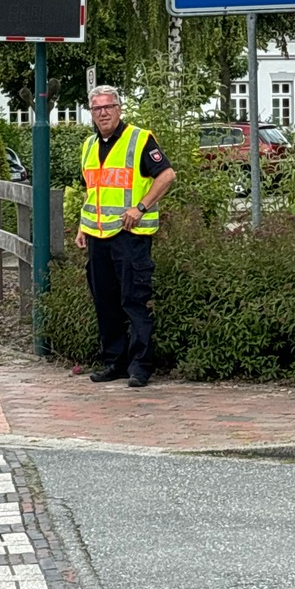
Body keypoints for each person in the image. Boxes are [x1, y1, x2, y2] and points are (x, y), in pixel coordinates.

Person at [74, 85, 176, 388]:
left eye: (108, 106)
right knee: (105, 302)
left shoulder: (140, 139)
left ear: (119, 109)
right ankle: (114, 362)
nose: (103, 113)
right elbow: (93, 190)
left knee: (135, 301)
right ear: (91, 113)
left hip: (130, 236)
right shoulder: (89, 145)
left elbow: (167, 175)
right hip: (97, 235)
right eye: (97, 108)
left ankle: (140, 367)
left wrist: (141, 207)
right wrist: (82, 225)